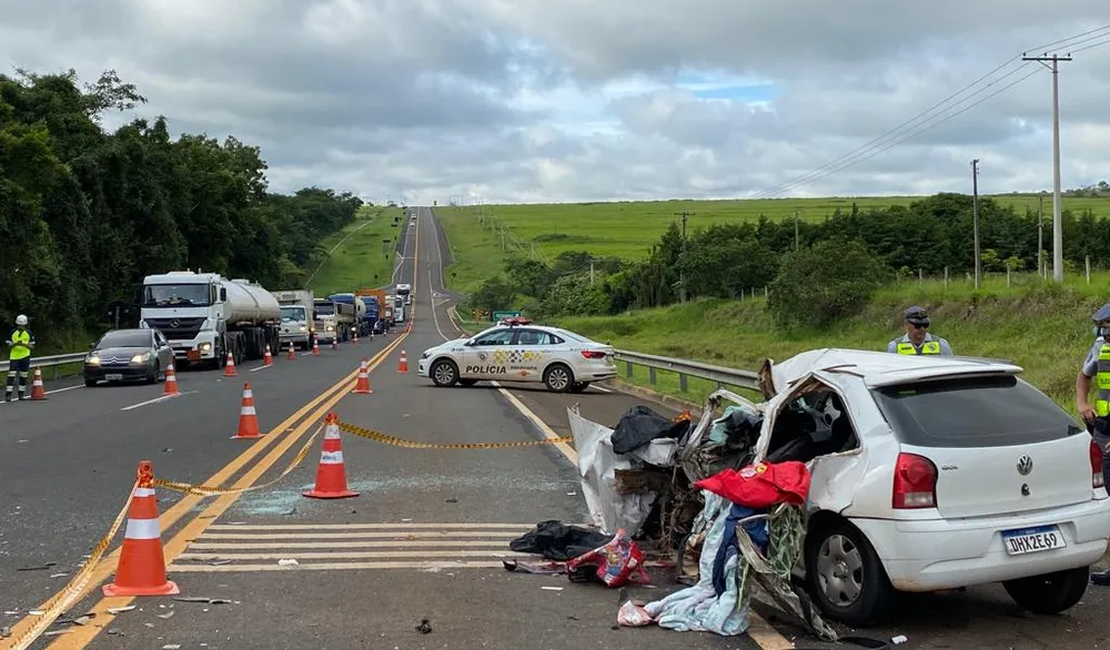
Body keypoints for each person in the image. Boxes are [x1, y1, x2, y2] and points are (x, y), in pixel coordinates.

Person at [885, 306, 954, 356]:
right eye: (917, 326)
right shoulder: (894, 347)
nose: (922, 329)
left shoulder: (941, 344)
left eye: (925, 325)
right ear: (906, 325)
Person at [5, 314, 36, 402]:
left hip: (25, 356)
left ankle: (21, 394)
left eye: (22, 325)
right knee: (11, 375)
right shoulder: (12, 332)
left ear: (25, 325)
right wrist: (15, 344)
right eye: (19, 325)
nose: (20, 327)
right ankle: (8, 394)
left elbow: (32, 346)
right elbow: (8, 346)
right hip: (14, 356)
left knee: (23, 375)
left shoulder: (29, 333)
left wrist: (24, 344)